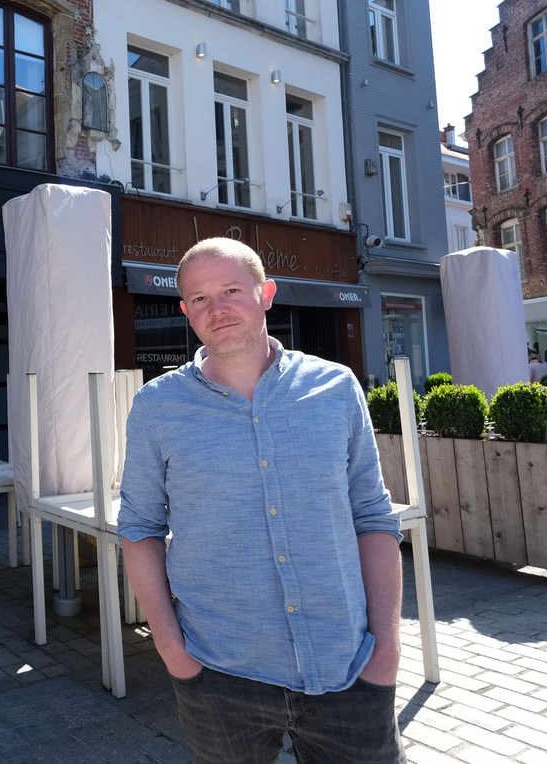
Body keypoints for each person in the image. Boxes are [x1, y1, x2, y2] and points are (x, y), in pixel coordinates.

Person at [118, 237, 404, 764]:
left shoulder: (336, 389)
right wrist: (171, 651)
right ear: (185, 312)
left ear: (266, 293)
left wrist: (386, 647)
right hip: (220, 674)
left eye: (231, 290)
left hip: (347, 664)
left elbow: (373, 518)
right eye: (199, 298)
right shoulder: (157, 407)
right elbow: (138, 529)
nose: (217, 308)